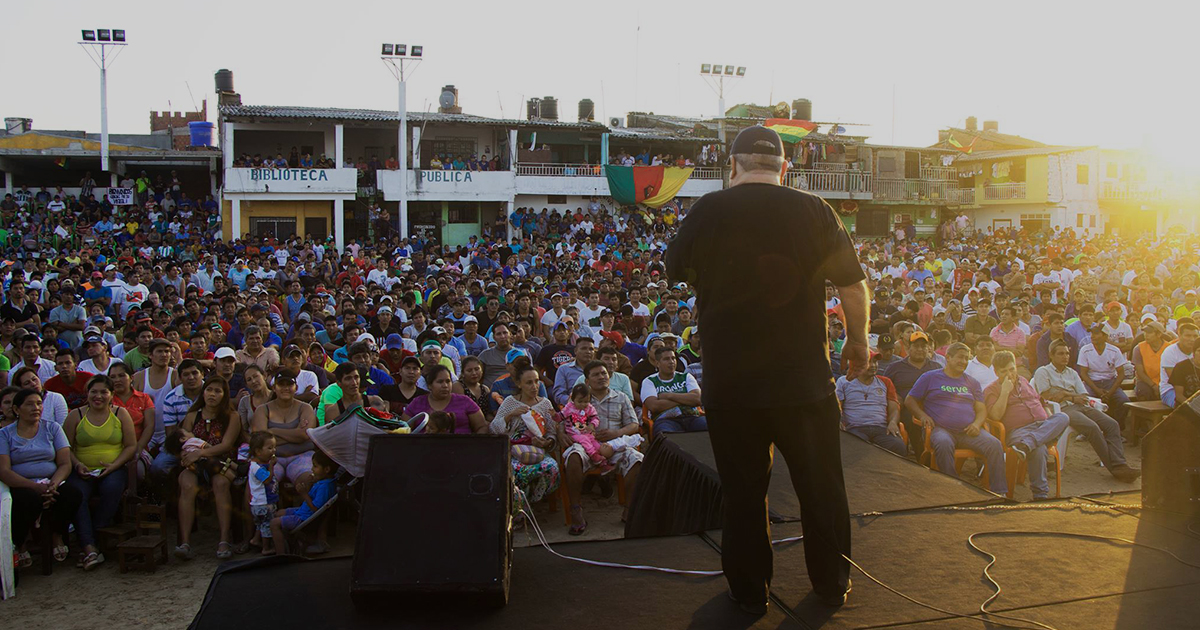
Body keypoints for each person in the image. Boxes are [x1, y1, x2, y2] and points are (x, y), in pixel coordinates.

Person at [665, 125, 867, 613]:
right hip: (802, 380)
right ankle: (830, 584)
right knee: (821, 486)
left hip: (732, 383)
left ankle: (749, 589)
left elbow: (677, 272)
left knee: (743, 491)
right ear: (785, 168)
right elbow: (852, 286)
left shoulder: (708, 209)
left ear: (731, 165)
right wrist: (857, 340)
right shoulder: (816, 210)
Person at [905, 343, 1007, 495]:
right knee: (943, 443)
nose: (964, 361)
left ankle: (999, 492)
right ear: (948, 357)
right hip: (941, 429)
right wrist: (923, 415)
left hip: (968, 431)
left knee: (995, 444)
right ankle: (952, 491)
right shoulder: (930, 377)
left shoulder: (972, 382)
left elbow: (981, 409)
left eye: (966, 358)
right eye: (960, 357)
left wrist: (977, 424)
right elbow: (909, 400)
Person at [1033, 339, 1140, 483]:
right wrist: (1070, 396)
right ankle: (1115, 469)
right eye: (1060, 354)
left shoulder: (1072, 372)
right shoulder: (1043, 371)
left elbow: (1083, 395)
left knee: (1112, 424)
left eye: (1067, 353)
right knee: (1092, 428)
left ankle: (1120, 463)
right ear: (1051, 355)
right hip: (1061, 410)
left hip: (1081, 406)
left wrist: (1064, 394)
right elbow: (1046, 396)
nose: (1065, 356)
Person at [0, 388, 84, 568]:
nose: (36, 408)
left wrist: (52, 484)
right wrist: (34, 487)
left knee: (72, 494)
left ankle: (56, 535)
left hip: (50, 482)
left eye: (39, 403)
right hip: (20, 484)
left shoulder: (52, 428)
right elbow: (4, 470)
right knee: (28, 500)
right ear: (16, 409)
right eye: (29, 404)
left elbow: (64, 463)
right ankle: (20, 543)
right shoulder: (5, 434)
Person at [982, 352, 1069, 499]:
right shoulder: (991, 389)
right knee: (1039, 448)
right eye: (1004, 371)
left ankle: (1026, 445)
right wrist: (1004, 392)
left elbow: (1039, 400)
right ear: (996, 372)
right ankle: (1040, 495)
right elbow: (995, 416)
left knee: (1063, 417)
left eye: (1012, 369)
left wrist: (1047, 418)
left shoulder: (1023, 380)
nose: (1010, 374)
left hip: (1041, 427)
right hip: (1018, 432)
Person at [175, 377, 242, 561]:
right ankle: (185, 542)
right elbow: (183, 443)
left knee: (220, 484)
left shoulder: (232, 416)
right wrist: (189, 457)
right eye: (209, 390)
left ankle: (223, 540)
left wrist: (200, 454)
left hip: (222, 462)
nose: (212, 394)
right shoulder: (192, 415)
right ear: (203, 392)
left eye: (218, 391)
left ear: (225, 394)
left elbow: (226, 445)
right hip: (195, 464)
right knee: (187, 484)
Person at [489, 364, 561, 509]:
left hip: (538, 451)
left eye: (536, 381)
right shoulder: (510, 402)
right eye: (529, 382)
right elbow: (494, 428)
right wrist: (510, 415)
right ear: (518, 384)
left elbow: (552, 432)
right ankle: (521, 510)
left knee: (552, 469)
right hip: (513, 452)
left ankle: (528, 502)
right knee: (518, 472)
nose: (534, 386)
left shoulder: (545, 404)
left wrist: (547, 442)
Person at [251, 372, 317, 500]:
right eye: (281, 385)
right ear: (274, 388)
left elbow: (304, 435)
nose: (286, 388)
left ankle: (306, 517)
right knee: (260, 481)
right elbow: (260, 441)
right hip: (271, 458)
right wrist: (295, 434)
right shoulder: (262, 410)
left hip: (302, 455)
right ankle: (263, 518)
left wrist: (272, 430)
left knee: (308, 480)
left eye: (289, 384)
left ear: (296, 388)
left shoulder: (305, 408)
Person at [835, 354, 905, 456]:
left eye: (875, 362)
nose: (873, 365)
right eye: (869, 362)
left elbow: (894, 409)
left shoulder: (885, 382)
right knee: (856, 447)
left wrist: (893, 422)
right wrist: (839, 420)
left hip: (881, 428)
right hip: (855, 429)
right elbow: (837, 406)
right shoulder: (844, 381)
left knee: (898, 446)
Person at [270, 449, 337, 554]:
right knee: (278, 513)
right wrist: (311, 484)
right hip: (303, 511)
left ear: (327, 469)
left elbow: (315, 509)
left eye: (315, 466)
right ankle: (287, 542)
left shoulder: (325, 487)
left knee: (274, 523)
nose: (312, 469)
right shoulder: (323, 482)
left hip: (304, 517)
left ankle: (280, 553)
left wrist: (304, 494)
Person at [640, 345, 706, 436]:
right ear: (657, 363)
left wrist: (668, 395)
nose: (671, 362)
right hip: (666, 420)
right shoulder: (649, 381)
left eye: (673, 358)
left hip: (692, 417)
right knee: (666, 437)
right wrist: (686, 399)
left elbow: (698, 399)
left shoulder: (686, 376)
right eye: (666, 359)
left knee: (710, 428)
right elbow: (654, 406)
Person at [403, 364, 486, 434]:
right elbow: (403, 428)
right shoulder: (417, 402)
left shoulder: (465, 401)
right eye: (440, 382)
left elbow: (482, 427)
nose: (445, 385)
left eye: (448, 381)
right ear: (429, 385)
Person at [1077, 325, 1130, 428]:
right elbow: (1083, 373)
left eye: (1096, 333)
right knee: (1085, 401)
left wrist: (1110, 392)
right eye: (1092, 333)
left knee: (1124, 401)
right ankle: (1088, 429)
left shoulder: (1114, 350)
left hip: (1110, 382)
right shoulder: (1085, 350)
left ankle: (1118, 428)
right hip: (1092, 382)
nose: (1092, 336)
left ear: (1105, 336)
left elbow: (1121, 374)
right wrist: (1096, 390)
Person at [108, 362, 156, 478]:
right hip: (111, 449)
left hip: (138, 447)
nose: (117, 380)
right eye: (113, 377)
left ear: (131, 377)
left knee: (137, 472)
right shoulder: (106, 399)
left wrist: (138, 448)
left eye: (121, 375)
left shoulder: (144, 398)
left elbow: (149, 426)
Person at [247, 431, 279, 555]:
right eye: (270, 448)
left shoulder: (258, 465)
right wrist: (271, 467)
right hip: (263, 503)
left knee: (260, 524)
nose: (273, 451)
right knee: (266, 525)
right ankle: (266, 548)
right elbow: (267, 480)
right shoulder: (256, 467)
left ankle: (255, 539)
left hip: (258, 504)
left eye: (274, 447)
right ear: (258, 451)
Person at [1160, 323, 1198, 407]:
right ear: (1179, 335)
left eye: (1195, 336)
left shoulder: (1197, 352)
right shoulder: (1169, 352)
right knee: (1181, 406)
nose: (1192, 339)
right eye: (1188, 335)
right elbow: (1175, 380)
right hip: (1171, 389)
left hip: (1194, 389)